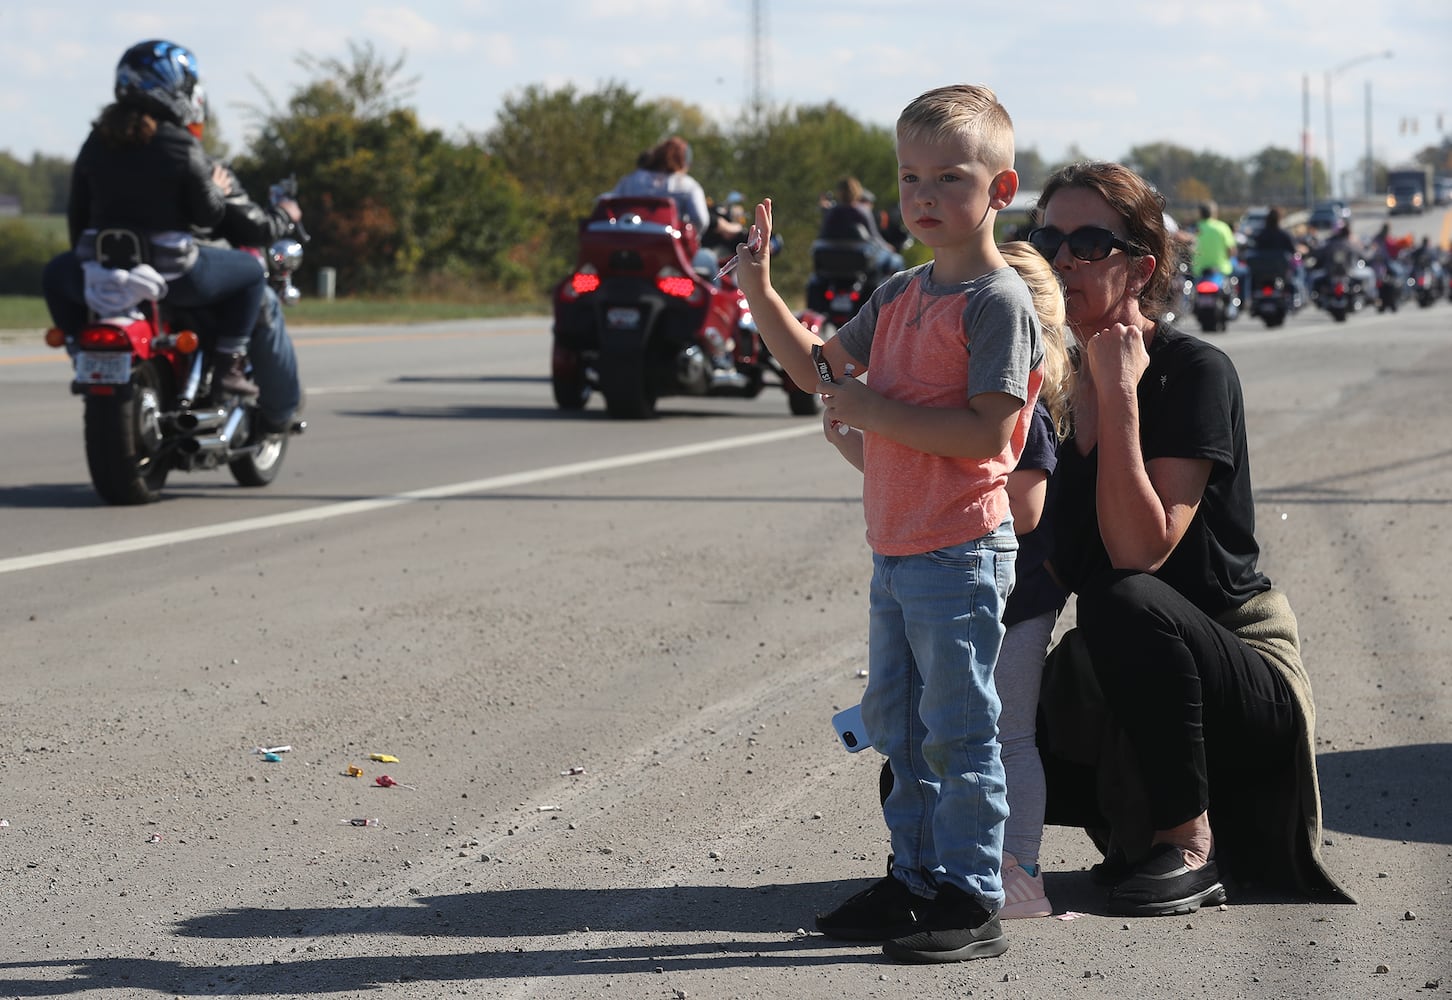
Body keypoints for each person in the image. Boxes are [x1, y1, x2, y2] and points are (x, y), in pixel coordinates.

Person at [733, 83, 1044, 964]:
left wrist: (864, 407)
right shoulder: (902, 293)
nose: (925, 197)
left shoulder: (997, 303)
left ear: (1002, 188)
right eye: (910, 178)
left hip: (961, 551)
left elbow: (988, 431)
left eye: (950, 176)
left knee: (960, 730)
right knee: (899, 728)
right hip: (899, 550)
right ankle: (913, 880)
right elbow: (816, 372)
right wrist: (759, 286)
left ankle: (972, 894)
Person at [1028, 160, 1354, 917]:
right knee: (925, 770)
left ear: (1140, 268)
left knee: (1121, 595)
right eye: (1047, 238)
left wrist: (1117, 393)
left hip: (1241, 675)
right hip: (1125, 682)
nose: (1062, 259)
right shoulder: (1045, 382)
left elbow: (1140, 551)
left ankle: (1189, 843)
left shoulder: (1195, 373)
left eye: (1087, 241)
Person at [835, 240, 1072, 921]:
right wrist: (856, 436)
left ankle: (1008, 875)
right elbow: (905, 465)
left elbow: (1025, 509)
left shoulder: (1021, 412)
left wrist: (880, 420)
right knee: (914, 731)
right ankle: (920, 875)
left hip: (1010, 596)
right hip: (927, 564)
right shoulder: (928, 371)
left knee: (993, 737)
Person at [41, 39, 267, 398]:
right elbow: (207, 215)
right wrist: (218, 190)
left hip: (101, 269)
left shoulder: (96, 141)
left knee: (54, 273)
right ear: (175, 88)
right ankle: (229, 366)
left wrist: (87, 265)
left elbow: (77, 216)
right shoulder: (178, 142)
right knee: (253, 273)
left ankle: (78, 352)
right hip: (175, 276)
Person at [186, 84, 304, 433]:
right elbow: (256, 227)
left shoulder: (109, 161)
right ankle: (278, 409)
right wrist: (286, 214)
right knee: (259, 290)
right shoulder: (197, 165)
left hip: (127, 276)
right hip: (188, 272)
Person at [610, 136, 718, 276]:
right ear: (684, 162)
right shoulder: (688, 185)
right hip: (672, 259)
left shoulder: (629, 180)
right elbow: (700, 220)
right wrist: (688, 242)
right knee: (708, 258)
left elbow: (610, 207)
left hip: (625, 255)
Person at [818, 175, 906, 275]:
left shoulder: (832, 212)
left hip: (831, 259)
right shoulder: (862, 212)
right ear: (857, 192)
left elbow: (823, 233)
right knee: (897, 260)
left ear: (839, 193)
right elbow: (874, 237)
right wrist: (888, 247)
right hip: (858, 260)